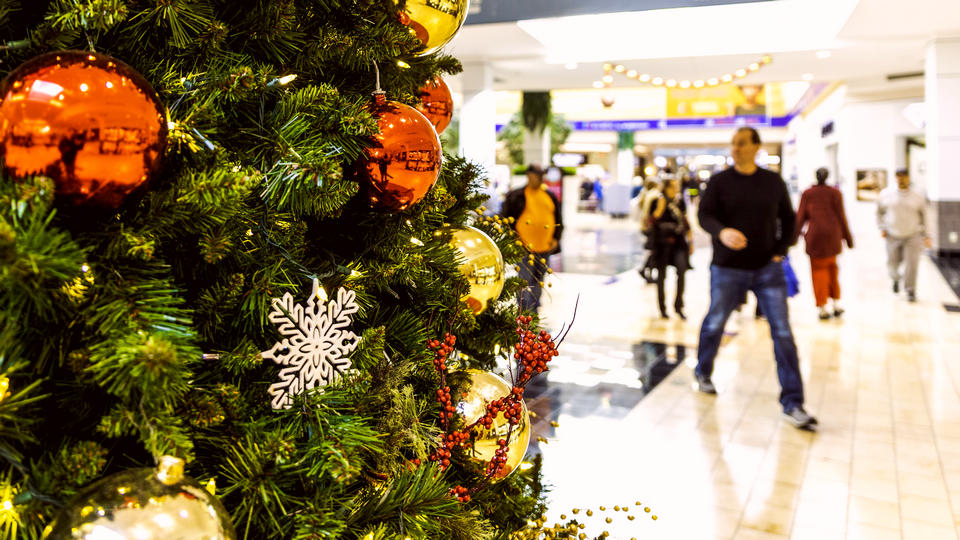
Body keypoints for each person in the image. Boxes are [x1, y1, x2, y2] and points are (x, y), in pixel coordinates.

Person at [694, 127, 817, 430]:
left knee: (783, 333)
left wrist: (780, 251)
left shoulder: (771, 182)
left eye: (741, 144)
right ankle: (703, 371)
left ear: (756, 147)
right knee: (715, 321)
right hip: (727, 267)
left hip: (767, 269)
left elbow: (789, 219)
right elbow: (704, 215)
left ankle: (793, 402)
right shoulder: (720, 182)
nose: (735, 149)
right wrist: (721, 231)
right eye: (733, 144)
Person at [501, 164, 564, 312]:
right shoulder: (517, 195)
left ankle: (534, 306)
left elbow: (558, 218)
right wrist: (512, 238)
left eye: (540, 175)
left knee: (538, 277)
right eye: (535, 175)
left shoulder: (549, 195)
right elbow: (506, 217)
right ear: (529, 176)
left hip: (545, 246)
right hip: (524, 246)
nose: (537, 178)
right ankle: (524, 308)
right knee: (524, 279)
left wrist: (556, 237)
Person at [794, 167, 854, 319]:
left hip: (816, 238)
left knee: (818, 271)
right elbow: (842, 216)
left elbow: (800, 217)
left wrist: (793, 238)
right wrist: (848, 238)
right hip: (833, 237)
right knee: (832, 269)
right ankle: (835, 303)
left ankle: (822, 306)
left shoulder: (808, 194)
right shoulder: (835, 193)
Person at [877, 169, 930, 302]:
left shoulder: (918, 195)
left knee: (912, 264)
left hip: (913, 235)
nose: (902, 179)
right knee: (892, 263)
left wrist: (927, 235)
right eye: (899, 177)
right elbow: (878, 212)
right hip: (892, 234)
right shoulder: (886, 194)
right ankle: (895, 279)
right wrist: (882, 227)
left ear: (908, 178)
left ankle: (910, 289)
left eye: (904, 176)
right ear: (895, 178)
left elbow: (925, 216)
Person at [650, 179, 692, 319]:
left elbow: (686, 222)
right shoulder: (658, 200)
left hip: (679, 243)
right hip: (662, 244)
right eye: (674, 186)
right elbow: (650, 221)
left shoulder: (679, 202)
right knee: (661, 276)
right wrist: (659, 209)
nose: (676, 189)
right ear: (666, 187)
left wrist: (690, 241)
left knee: (682, 271)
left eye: (677, 186)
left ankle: (678, 305)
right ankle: (662, 307)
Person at [637, 179, 662, 283]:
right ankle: (645, 270)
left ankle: (646, 271)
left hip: (645, 226)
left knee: (653, 250)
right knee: (655, 250)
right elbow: (654, 214)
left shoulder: (645, 194)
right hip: (651, 227)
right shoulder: (655, 195)